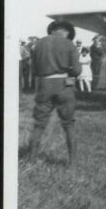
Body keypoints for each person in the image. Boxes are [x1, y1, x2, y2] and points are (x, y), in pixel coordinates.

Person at [26, 21, 81, 165]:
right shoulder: (69, 44)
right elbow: (76, 71)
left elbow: (34, 70)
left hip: (44, 85)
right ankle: (73, 163)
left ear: (52, 30)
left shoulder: (37, 44)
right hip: (64, 86)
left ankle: (30, 161)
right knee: (68, 124)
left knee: (39, 125)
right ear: (67, 32)